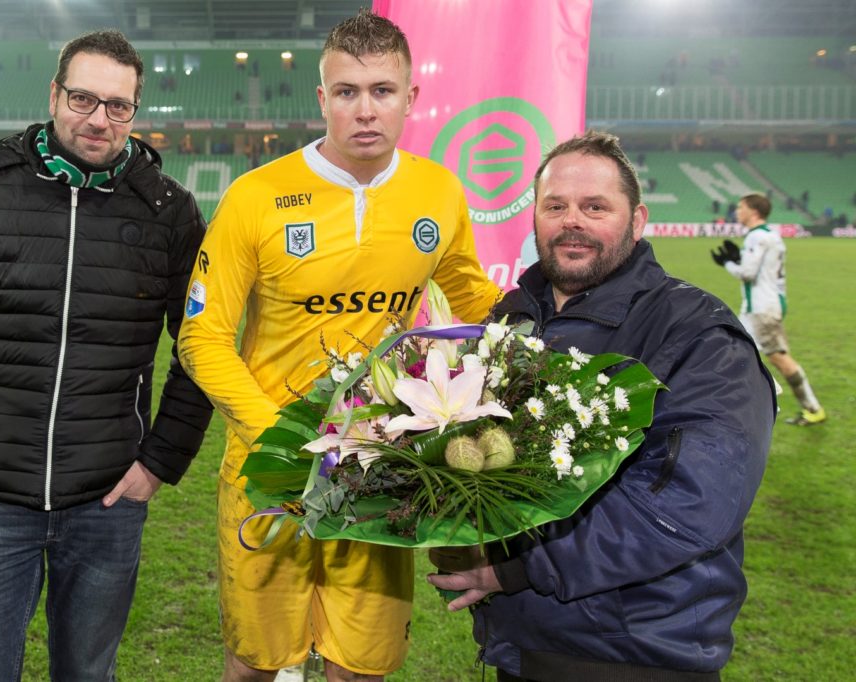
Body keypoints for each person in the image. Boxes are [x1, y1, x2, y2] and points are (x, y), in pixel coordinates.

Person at [177, 9, 501, 682]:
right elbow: (201, 337)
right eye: (347, 92)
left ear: (411, 97)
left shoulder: (438, 191)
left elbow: (473, 302)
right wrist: (284, 437)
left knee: (360, 667)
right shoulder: (255, 197)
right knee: (255, 664)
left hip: (379, 468)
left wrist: (557, 335)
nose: (365, 110)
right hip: (269, 470)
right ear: (322, 98)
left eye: (382, 90)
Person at [0, 30, 213, 680]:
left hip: (107, 504)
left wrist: (160, 463)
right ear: (54, 94)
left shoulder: (169, 212)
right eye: (83, 98)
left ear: (134, 110)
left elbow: (201, 344)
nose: (99, 118)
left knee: (87, 674)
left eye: (118, 105)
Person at [428, 131, 776, 681]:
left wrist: (519, 568)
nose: (572, 221)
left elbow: (692, 503)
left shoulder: (696, 332)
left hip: (638, 655)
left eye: (595, 207)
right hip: (524, 647)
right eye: (555, 206)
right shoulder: (509, 319)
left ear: (636, 222)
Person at [712, 193, 826, 425]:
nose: (737, 211)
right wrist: (740, 258)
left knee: (776, 358)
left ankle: (811, 408)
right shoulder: (769, 235)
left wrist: (728, 263)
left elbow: (748, 273)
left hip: (761, 308)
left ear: (754, 211)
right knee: (735, 354)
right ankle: (739, 410)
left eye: (741, 207)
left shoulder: (757, 237)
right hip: (761, 306)